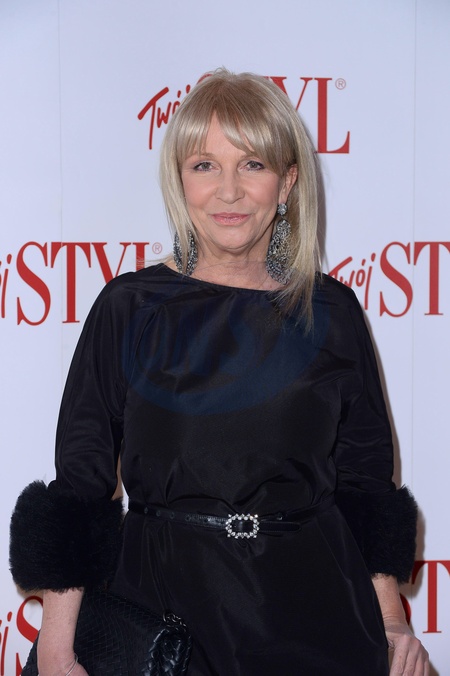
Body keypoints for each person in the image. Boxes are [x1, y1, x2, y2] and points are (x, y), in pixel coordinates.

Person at [10, 68, 429, 675]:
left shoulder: (332, 312)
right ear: (180, 180)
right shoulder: (130, 308)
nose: (228, 191)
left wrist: (391, 621)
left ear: (286, 182)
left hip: (318, 616)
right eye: (205, 165)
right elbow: (81, 484)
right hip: (164, 616)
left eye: (252, 164)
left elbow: (365, 483)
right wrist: (56, 648)